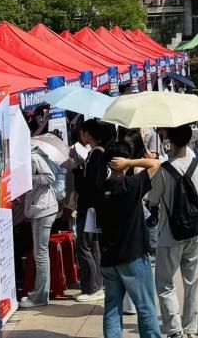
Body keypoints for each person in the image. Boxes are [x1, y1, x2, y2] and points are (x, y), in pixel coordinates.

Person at [147, 125, 198, 338]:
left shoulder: (164, 170)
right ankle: (191, 328)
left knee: (164, 283)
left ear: (170, 141)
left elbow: (153, 199)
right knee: (193, 282)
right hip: (195, 233)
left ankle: (174, 330)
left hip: (170, 235)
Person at [99, 142, 163, 338]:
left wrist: (125, 163)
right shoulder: (131, 185)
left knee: (112, 309)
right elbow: (156, 163)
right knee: (145, 307)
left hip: (109, 258)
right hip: (133, 255)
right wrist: (130, 162)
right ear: (122, 163)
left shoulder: (100, 189)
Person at [74, 118, 113, 303]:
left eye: (82, 132)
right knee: (94, 246)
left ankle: (92, 287)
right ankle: (97, 284)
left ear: (88, 134)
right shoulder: (98, 153)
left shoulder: (97, 154)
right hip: (94, 207)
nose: (81, 135)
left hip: (89, 208)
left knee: (85, 247)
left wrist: (77, 170)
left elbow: (90, 184)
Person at [18, 142, 59, 308]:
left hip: (43, 209)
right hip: (41, 209)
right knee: (40, 253)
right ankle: (40, 293)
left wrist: (30, 178)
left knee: (40, 254)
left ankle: (40, 296)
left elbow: (50, 178)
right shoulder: (30, 156)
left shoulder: (33, 156)